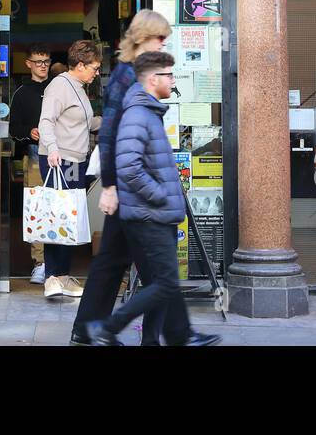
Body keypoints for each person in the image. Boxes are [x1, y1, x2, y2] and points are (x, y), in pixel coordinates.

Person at [86, 52, 219, 346]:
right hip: (150, 214)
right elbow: (129, 167)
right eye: (169, 75)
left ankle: (162, 339)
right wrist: (160, 195)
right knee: (166, 283)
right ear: (152, 79)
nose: (173, 80)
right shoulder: (137, 113)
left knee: (163, 283)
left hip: (157, 213)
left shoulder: (149, 111)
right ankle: (109, 327)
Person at [71, 9, 186, 346]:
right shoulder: (125, 75)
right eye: (159, 38)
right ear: (142, 38)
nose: (163, 43)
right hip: (128, 185)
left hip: (129, 185)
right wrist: (110, 185)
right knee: (155, 272)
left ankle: (88, 331)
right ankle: (158, 335)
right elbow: (109, 133)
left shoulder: (136, 72)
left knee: (114, 260)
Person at [38, 39, 102, 299]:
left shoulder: (78, 86)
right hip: (60, 160)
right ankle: (53, 278)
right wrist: (52, 148)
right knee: (58, 217)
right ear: (80, 64)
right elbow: (46, 121)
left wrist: (107, 121)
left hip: (76, 161)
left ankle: (61, 277)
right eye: (94, 68)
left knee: (68, 219)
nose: (96, 72)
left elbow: (83, 123)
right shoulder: (59, 86)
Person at [10, 44, 53, 285]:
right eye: (38, 62)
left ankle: (57, 263)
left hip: (63, 154)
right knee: (37, 209)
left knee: (61, 207)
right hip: (36, 154)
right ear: (28, 63)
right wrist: (29, 131)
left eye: (46, 61)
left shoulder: (59, 86)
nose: (42, 66)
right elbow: (13, 129)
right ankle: (40, 263)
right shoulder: (22, 92)